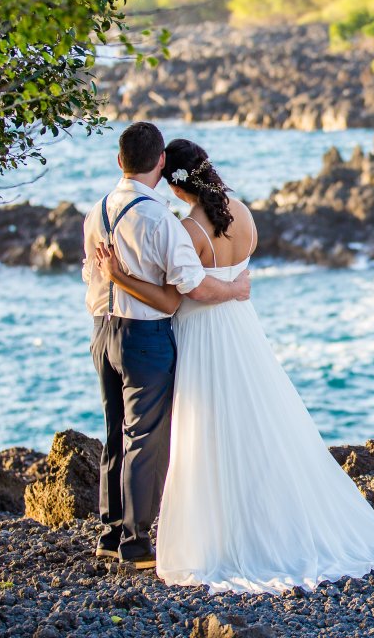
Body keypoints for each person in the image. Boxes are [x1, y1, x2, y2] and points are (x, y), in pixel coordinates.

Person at [94, 137, 374, 593]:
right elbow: (236, 270)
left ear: (175, 181)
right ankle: (266, 513)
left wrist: (121, 277)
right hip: (242, 330)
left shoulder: (188, 230)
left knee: (204, 433)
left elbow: (185, 293)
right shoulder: (242, 213)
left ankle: (214, 530)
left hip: (202, 335)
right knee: (255, 421)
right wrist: (234, 286)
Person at [82, 123, 252, 569]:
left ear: (120, 161)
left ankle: (110, 531)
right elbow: (190, 288)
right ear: (159, 162)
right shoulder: (160, 220)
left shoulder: (95, 212)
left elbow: (88, 276)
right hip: (145, 335)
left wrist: (116, 281)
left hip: (102, 331)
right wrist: (234, 291)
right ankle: (135, 544)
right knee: (146, 438)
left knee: (115, 430)